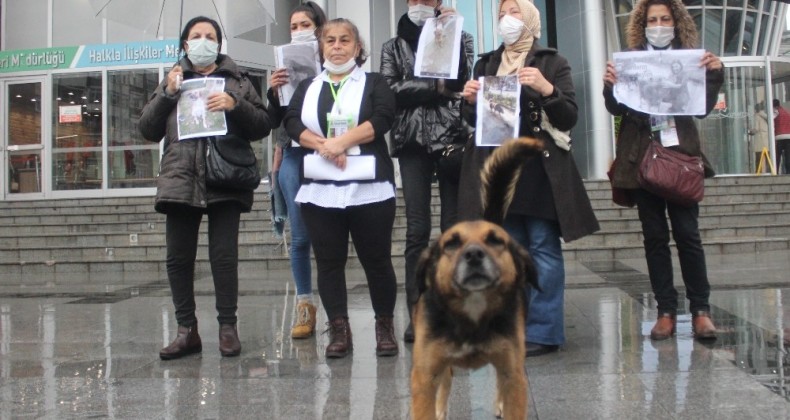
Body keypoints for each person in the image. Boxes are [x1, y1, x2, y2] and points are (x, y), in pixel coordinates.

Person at [459, 0, 599, 357]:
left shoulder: (553, 61)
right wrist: (469, 100)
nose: (507, 18)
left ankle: (545, 331)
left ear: (531, 17)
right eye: (503, 12)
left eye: (515, 10)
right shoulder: (487, 62)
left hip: (538, 169)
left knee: (543, 250)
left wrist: (548, 90)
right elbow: (476, 123)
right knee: (506, 253)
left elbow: (568, 117)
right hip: (498, 169)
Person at [139, 16, 274, 359]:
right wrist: (168, 93)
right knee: (178, 258)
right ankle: (187, 330)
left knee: (224, 257)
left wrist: (235, 105)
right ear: (185, 44)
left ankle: (228, 327)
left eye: (210, 36)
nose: (203, 41)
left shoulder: (238, 79)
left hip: (225, 176)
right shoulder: (173, 78)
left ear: (219, 43)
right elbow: (147, 128)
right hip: (181, 178)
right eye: (196, 36)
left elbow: (262, 125)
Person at [603, 0, 724, 341]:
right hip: (642, 160)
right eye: (652, 20)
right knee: (655, 239)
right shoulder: (631, 61)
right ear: (642, 25)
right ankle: (665, 311)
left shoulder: (691, 58)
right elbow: (615, 107)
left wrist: (714, 73)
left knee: (688, 236)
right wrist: (610, 84)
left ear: (676, 22)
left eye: (665, 19)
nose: (658, 25)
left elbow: (701, 111)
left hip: (681, 158)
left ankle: (701, 310)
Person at [283, 18, 398, 358]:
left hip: (369, 186)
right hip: (321, 188)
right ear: (321, 48)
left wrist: (342, 142)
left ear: (357, 47)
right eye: (329, 40)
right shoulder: (308, 87)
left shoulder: (374, 82)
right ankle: (339, 330)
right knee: (329, 263)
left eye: (344, 40)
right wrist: (321, 145)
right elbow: (290, 121)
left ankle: (384, 326)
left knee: (376, 261)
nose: (336, 46)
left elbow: (383, 117)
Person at [380, 0, 474, 343]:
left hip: (451, 136)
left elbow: (461, 82)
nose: (422, 3)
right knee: (416, 231)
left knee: (452, 229)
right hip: (411, 142)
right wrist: (434, 87)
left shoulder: (460, 36)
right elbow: (390, 91)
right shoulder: (392, 45)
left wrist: (450, 36)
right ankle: (418, 312)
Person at [267, 1, 327, 340]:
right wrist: (274, 93)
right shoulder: (282, 64)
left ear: (319, 27)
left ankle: (336, 308)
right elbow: (272, 121)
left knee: (329, 236)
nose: (299, 30)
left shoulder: (335, 61)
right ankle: (305, 304)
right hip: (292, 156)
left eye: (305, 23)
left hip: (327, 155)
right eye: (293, 25)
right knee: (300, 237)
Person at [773, 99, 790, 174]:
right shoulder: (786, 112)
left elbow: (771, 119)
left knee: (777, 156)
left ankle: (775, 171)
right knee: (788, 155)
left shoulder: (776, 111)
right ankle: (788, 172)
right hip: (788, 136)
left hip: (779, 136)